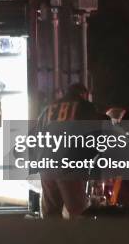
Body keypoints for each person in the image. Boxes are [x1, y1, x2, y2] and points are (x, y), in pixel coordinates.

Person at [36, 83, 102, 219]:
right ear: (84, 94)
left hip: (46, 165)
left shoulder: (48, 109)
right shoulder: (85, 107)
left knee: (51, 215)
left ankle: (50, 239)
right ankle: (78, 240)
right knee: (79, 212)